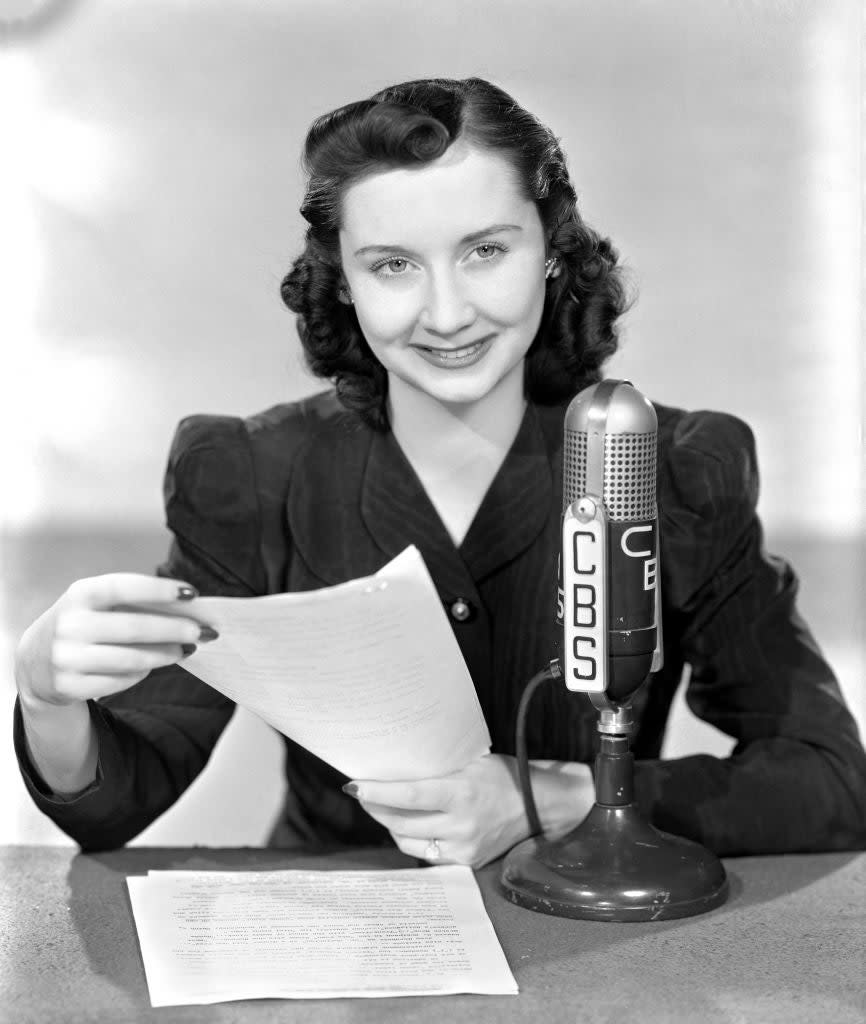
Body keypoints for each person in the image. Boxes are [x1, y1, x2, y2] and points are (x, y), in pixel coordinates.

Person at [13, 77, 866, 867]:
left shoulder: (677, 468)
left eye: (486, 252)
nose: (448, 312)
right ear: (342, 281)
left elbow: (831, 784)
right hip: (336, 942)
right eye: (392, 265)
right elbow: (112, 807)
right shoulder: (249, 472)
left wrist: (557, 796)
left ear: (552, 252)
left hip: (599, 944)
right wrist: (47, 693)